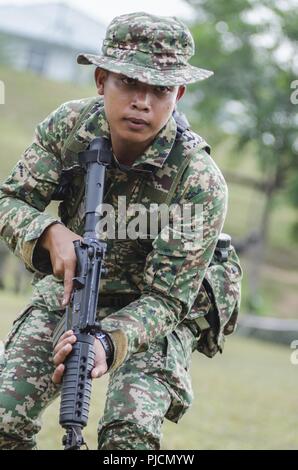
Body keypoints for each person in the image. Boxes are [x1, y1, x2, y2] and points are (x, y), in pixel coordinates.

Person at [0, 12, 230, 450]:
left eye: (160, 89)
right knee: (3, 419)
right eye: (128, 83)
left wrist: (107, 341)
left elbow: (167, 299)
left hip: (152, 312)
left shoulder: (198, 179)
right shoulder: (70, 129)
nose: (142, 102)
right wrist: (49, 230)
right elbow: (8, 199)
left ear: (178, 94)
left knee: (129, 440)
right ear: (101, 80)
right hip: (71, 289)